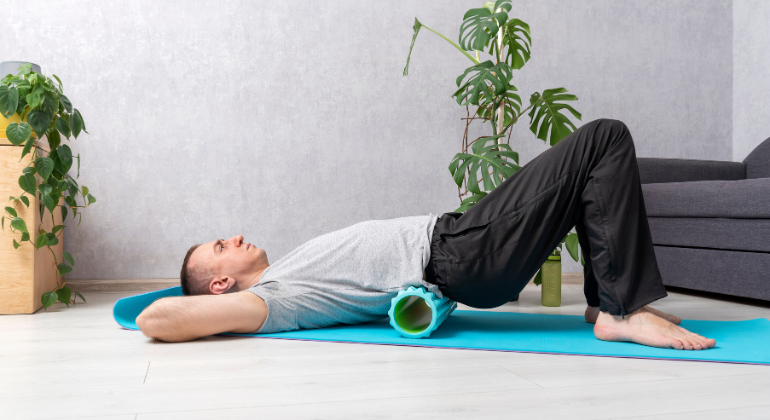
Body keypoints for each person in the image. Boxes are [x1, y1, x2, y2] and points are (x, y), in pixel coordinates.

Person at [136, 118, 716, 351]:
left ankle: (609, 304)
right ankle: (620, 312)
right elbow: (153, 319)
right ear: (220, 285)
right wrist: (208, 308)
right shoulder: (271, 299)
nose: (233, 238)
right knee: (605, 138)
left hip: (461, 247)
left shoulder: (285, 272)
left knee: (592, 166)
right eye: (221, 248)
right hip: (460, 252)